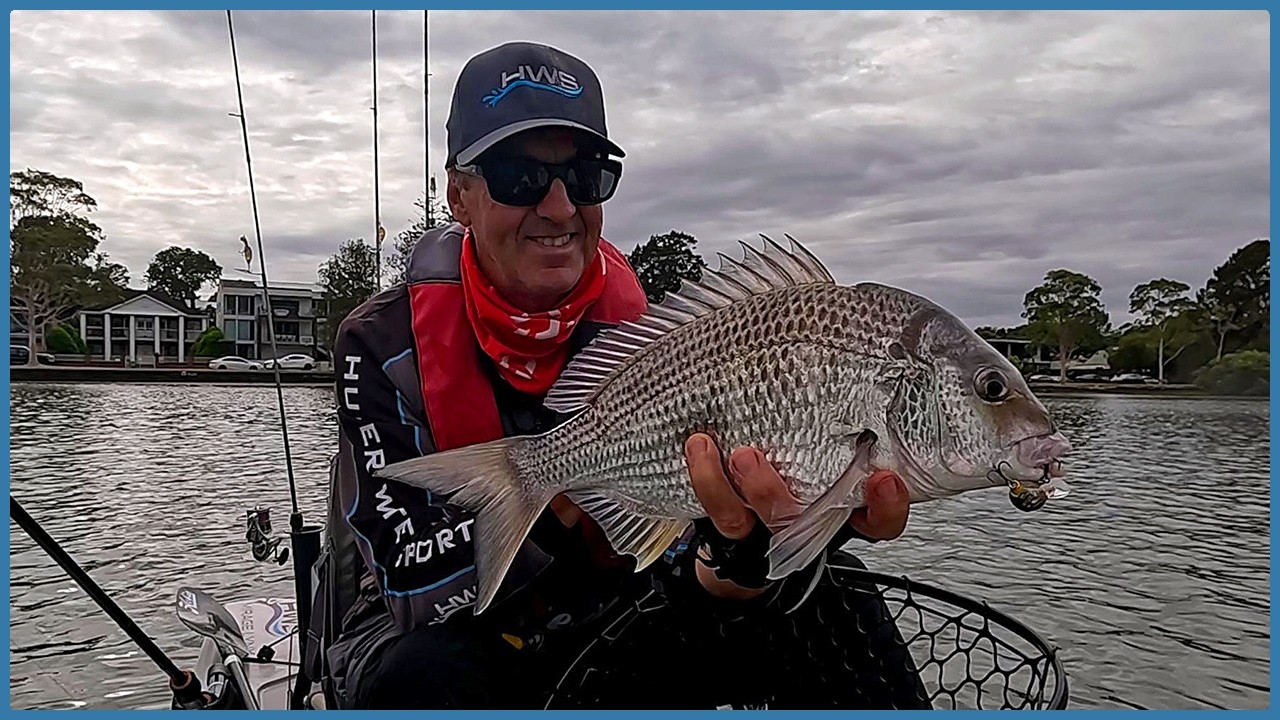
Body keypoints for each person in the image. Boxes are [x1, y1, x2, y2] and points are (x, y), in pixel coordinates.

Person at [304, 40, 918, 710]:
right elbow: (409, 583)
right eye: (518, 177)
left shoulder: (650, 338)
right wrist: (556, 507)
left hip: (612, 602)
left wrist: (740, 556)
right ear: (459, 195)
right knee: (426, 675)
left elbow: (680, 564)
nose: (561, 207)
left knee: (831, 600)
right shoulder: (380, 342)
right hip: (426, 624)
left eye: (589, 174)